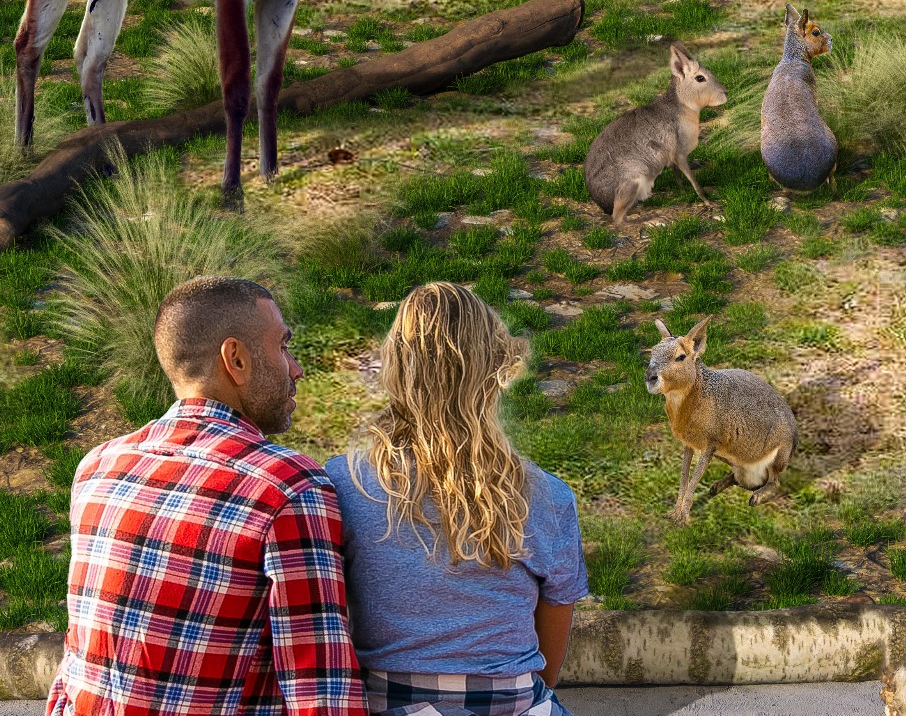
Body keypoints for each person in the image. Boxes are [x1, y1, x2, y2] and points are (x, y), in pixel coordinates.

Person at [49, 276, 362, 716]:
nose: (296, 369)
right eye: (283, 347)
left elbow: (78, 653)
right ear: (235, 359)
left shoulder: (97, 467)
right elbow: (322, 692)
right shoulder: (287, 487)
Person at [326, 282, 588, 716]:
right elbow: (549, 670)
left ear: (395, 368)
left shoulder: (342, 483)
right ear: (496, 371)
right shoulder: (549, 497)